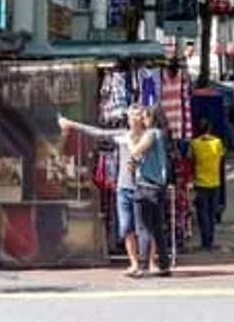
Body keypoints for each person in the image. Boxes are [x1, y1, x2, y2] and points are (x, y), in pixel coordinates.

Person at [60, 103, 150, 277]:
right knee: (126, 227)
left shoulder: (149, 137)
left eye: (138, 115)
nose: (135, 119)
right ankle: (134, 263)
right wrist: (72, 125)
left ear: (143, 118)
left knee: (143, 228)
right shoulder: (122, 136)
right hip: (123, 188)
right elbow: (98, 133)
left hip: (143, 188)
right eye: (132, 115)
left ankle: (146, 263)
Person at [134, 105, 173, 276]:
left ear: (151, 117)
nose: (142, 120)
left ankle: (142, 265)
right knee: (157, 227)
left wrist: (129, 141)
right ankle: (164, 264)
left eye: (144, 117)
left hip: (147, 186)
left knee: (144, 228)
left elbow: (136, 151)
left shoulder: (151, 134)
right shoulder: (162, 134)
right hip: (158, 186)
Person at [190, 117, 226, 251]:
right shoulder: (218, 142)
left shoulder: (194, 144)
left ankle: (205, 241)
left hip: (200, 183)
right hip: (215, 182)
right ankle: (210, 240)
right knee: (211, 213)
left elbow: (191, 161)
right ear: (209, 128)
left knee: (202, 214)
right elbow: (221, 159)